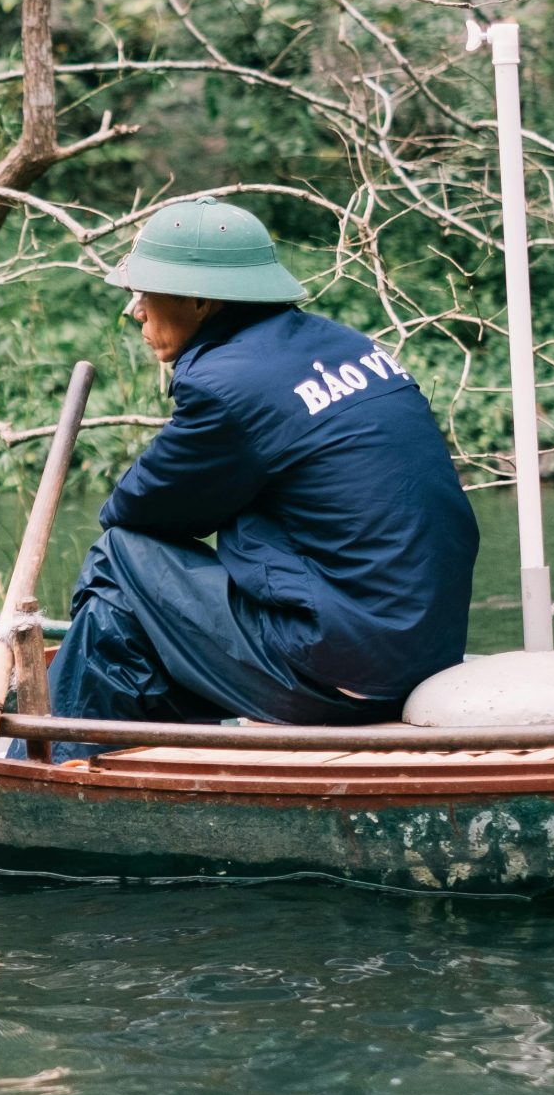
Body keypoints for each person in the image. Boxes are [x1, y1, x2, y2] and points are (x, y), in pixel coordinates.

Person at [43, 198, 479, 757]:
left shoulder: (229, 385)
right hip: (423, 652)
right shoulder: (352, 346)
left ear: (199, 300)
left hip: (340, 673)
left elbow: (134, 514)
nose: (136, 312)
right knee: (121, 610)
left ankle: (60, 762)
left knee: (117, 557)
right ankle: (128, 758)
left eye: (145, 293)